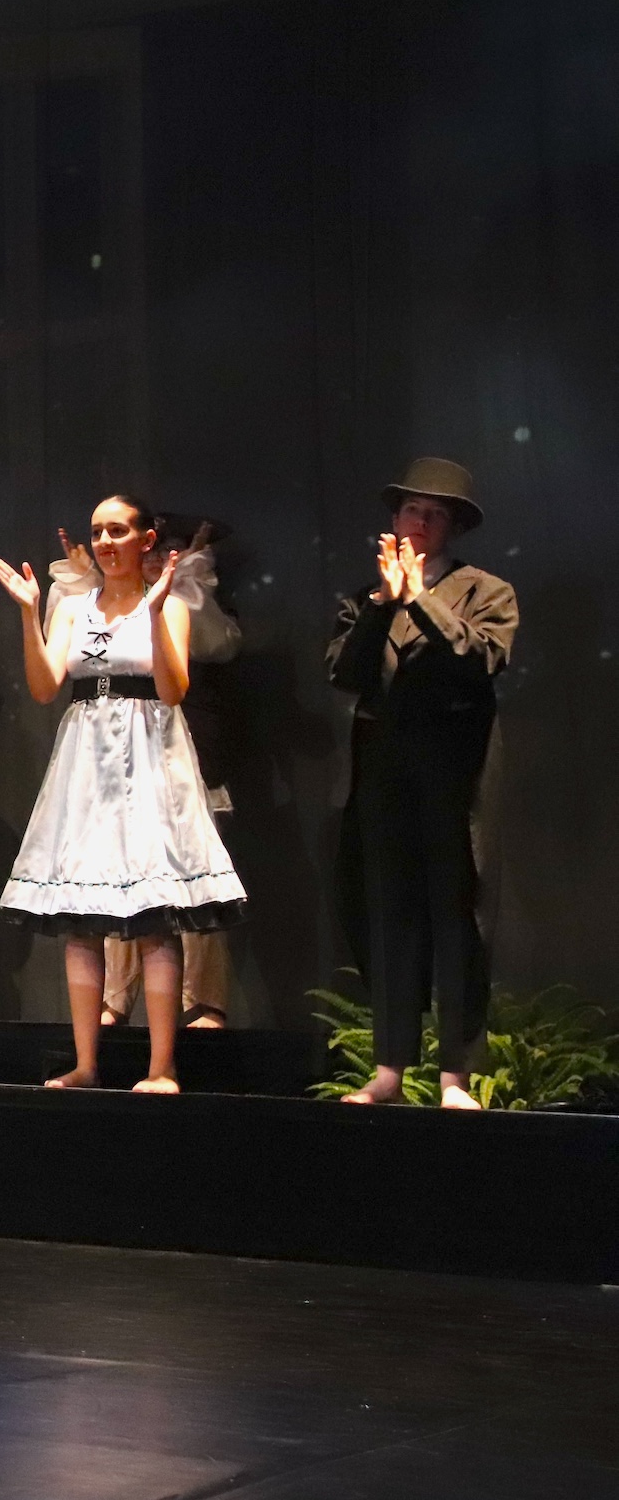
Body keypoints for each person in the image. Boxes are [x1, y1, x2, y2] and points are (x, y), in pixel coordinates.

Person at [0, 497, 245, 1093]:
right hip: (87, 757)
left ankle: (162, 1066)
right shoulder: (72, 607)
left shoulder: (171, 604)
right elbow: (45, 687)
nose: (105, 542)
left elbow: (174, 690)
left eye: (118, 531)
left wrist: (153, 615)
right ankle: (86, 1063)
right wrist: (29, 614)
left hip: (151, 752)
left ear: (145, 539)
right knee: (81, 918)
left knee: (156, 915)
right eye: (98, 532)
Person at [328, 458, 517, 1110]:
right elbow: (344, 672)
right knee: (389, 915)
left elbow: (479, 658)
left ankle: (454, 1077)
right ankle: (389, 1070)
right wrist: (386, 604)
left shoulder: (486, 590)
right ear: (395, 517)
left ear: (454, 527)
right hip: (385, 769)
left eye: (436, 514)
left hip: (454, 771)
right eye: (413, 509)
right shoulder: (368, 596)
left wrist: (420, 600)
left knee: (456, 915)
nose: (422, 521)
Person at [53, 518, 244, 1029]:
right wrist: (82, 581)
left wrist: (190, 578)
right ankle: (116, 997)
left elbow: (214, 644)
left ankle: (202, 1001)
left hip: (185, 761)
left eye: (171, 553)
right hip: (119, 766)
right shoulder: (107, 607)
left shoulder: (189, 606)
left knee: (189, 882)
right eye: (155, 553)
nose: (160, 563)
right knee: (117, 877)